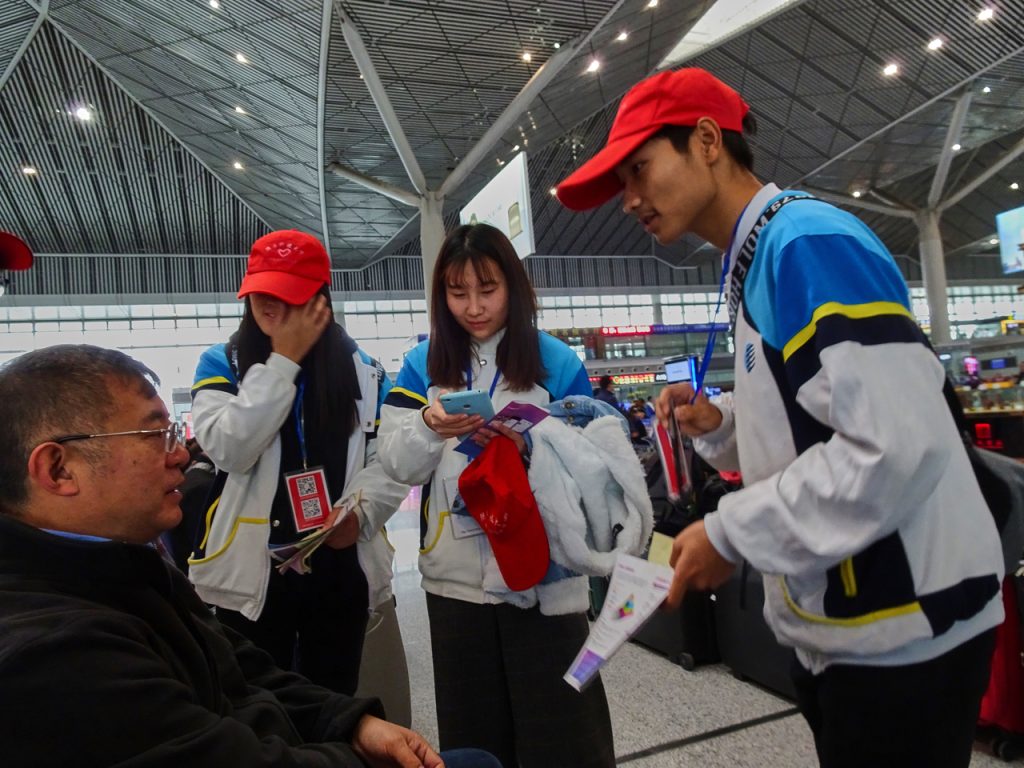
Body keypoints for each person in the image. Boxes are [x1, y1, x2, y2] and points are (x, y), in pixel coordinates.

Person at [556, 67, 1004, 768]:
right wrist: (723, 422)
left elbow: (892, 443)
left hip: (905, 625)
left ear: (706, 140)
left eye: (639, 170)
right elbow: (821, 413)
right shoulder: (759, 255)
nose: (631, 200)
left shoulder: (804, 243)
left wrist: (731, 533)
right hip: (855, 622)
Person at [0, 343, 502, 768]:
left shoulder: (127, 566)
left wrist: (351, 722)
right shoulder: (51, 653)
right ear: (58, 469)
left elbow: (243, 671)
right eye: (155, 434)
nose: (180, 454)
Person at [376, 223, 616, 768]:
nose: (474, 307)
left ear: (512, 285)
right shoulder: (423, 365)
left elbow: (594, 469)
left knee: (567, 737)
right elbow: (394, 462)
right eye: (458, 293)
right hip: (455, 582)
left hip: (545, 578)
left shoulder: (556, 361)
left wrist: (533, 446)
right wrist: (429, 427)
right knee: (476, 737)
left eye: (488, 289)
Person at [188, 229, 410, 699]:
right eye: (260, 292)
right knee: (256, 705)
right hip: (252, 570)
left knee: (334, 703)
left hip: (336, 561)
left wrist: (361, 513)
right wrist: (283, 362)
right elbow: (230, 449)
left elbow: (387, 462)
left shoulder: (364, 370)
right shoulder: (221, 362)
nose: (271, 305)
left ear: (319, 301)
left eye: (287, 294)